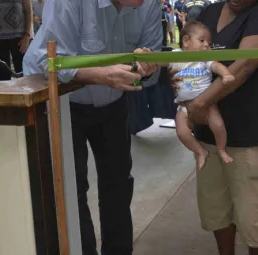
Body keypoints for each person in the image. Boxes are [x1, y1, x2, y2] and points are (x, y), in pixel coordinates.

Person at [22, 0, 162, 254]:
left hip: (114, 100)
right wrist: (103, 74)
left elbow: (151, 56)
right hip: (63, 100)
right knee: (71, 188)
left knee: (118, 183)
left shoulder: (149, 4)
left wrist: (146, 67)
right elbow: (50, 59)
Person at [174, 0, 258, 254]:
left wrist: (199, 104)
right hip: (210, 138)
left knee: (257, 222)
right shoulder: (209, 13)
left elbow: (245, 65)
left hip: (255, 139)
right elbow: (188, 56)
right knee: (217, 211)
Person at [162, 21, 235, 169]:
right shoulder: (174, 56)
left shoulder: (204, 58)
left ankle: (221, 149)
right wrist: (146, 56)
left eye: (209, 42)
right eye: (202, 40)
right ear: (186, 41)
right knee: (182, 132)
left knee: (219, 126)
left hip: (208, 103)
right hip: (183, 105)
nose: (207, 45)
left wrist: (226, 74)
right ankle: (200, 151)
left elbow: (216, 66)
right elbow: (157, 61)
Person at [0, 0, 32, 81]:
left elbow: (28, 10)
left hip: (19, 38)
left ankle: (23, 93)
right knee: (2, 78)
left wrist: (27, 35)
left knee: (23, 74)